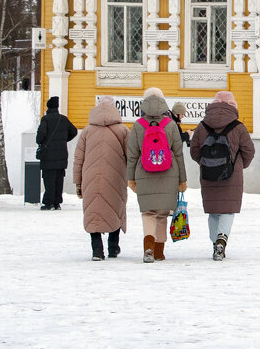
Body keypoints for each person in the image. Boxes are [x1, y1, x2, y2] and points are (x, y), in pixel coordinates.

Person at [189, 90, 256, 261]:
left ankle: (214, 244)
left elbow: (194, 150)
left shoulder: (202, 126)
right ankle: (222, 239)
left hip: (208, 174)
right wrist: (241, 165)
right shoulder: (238, 127)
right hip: (232, 175)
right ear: (233, 106)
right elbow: (249, 150)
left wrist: (205, 163)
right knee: (227, 210)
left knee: (213, 211)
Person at [125, 87, 186, 263]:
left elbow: (133, 154)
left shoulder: (138, 125)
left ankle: (148, 248)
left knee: (148, 213)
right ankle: (159, 252)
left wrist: (131, 178)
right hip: (169, 173)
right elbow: (178, 153)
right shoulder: (171, 124)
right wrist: (182, 179)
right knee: (161, 214)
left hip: (144, 173)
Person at [74, 95, 129, 261]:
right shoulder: (123, 130)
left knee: (94, 211)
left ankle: (97, 250)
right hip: (116, 177)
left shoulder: (87, 131)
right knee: (115, 209)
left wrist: (78, 181)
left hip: (90, 176)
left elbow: (78, 158)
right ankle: (113, 247)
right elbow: (132, 156)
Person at [35, 96, 78, 210]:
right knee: (59, 178)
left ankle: (48, 202)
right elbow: (74, 131)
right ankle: (57, 202)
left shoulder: (46, 119)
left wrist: (41, 141)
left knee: (49, 179)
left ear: (48, 107)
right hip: (62, 154)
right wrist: (64, 140)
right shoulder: (63, 119)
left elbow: (40, 137)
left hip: (48, 154)